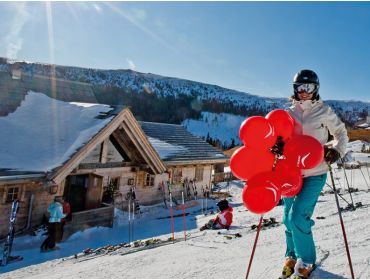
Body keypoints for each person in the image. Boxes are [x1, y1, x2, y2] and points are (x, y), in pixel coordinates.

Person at [279, 69, 348, 279]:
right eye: (301, 87)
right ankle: (291, 256)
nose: (304, 91)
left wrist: (337, 150)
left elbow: (341, 133)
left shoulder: (324, 111)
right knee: (287, 218)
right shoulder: (288, 113)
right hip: (291, 172)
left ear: (315, 89)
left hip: (316, 171)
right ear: (295, 89)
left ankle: (306, 260)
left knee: (298, 216)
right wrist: (277, 145)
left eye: (309, 87)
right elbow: (279, 137)